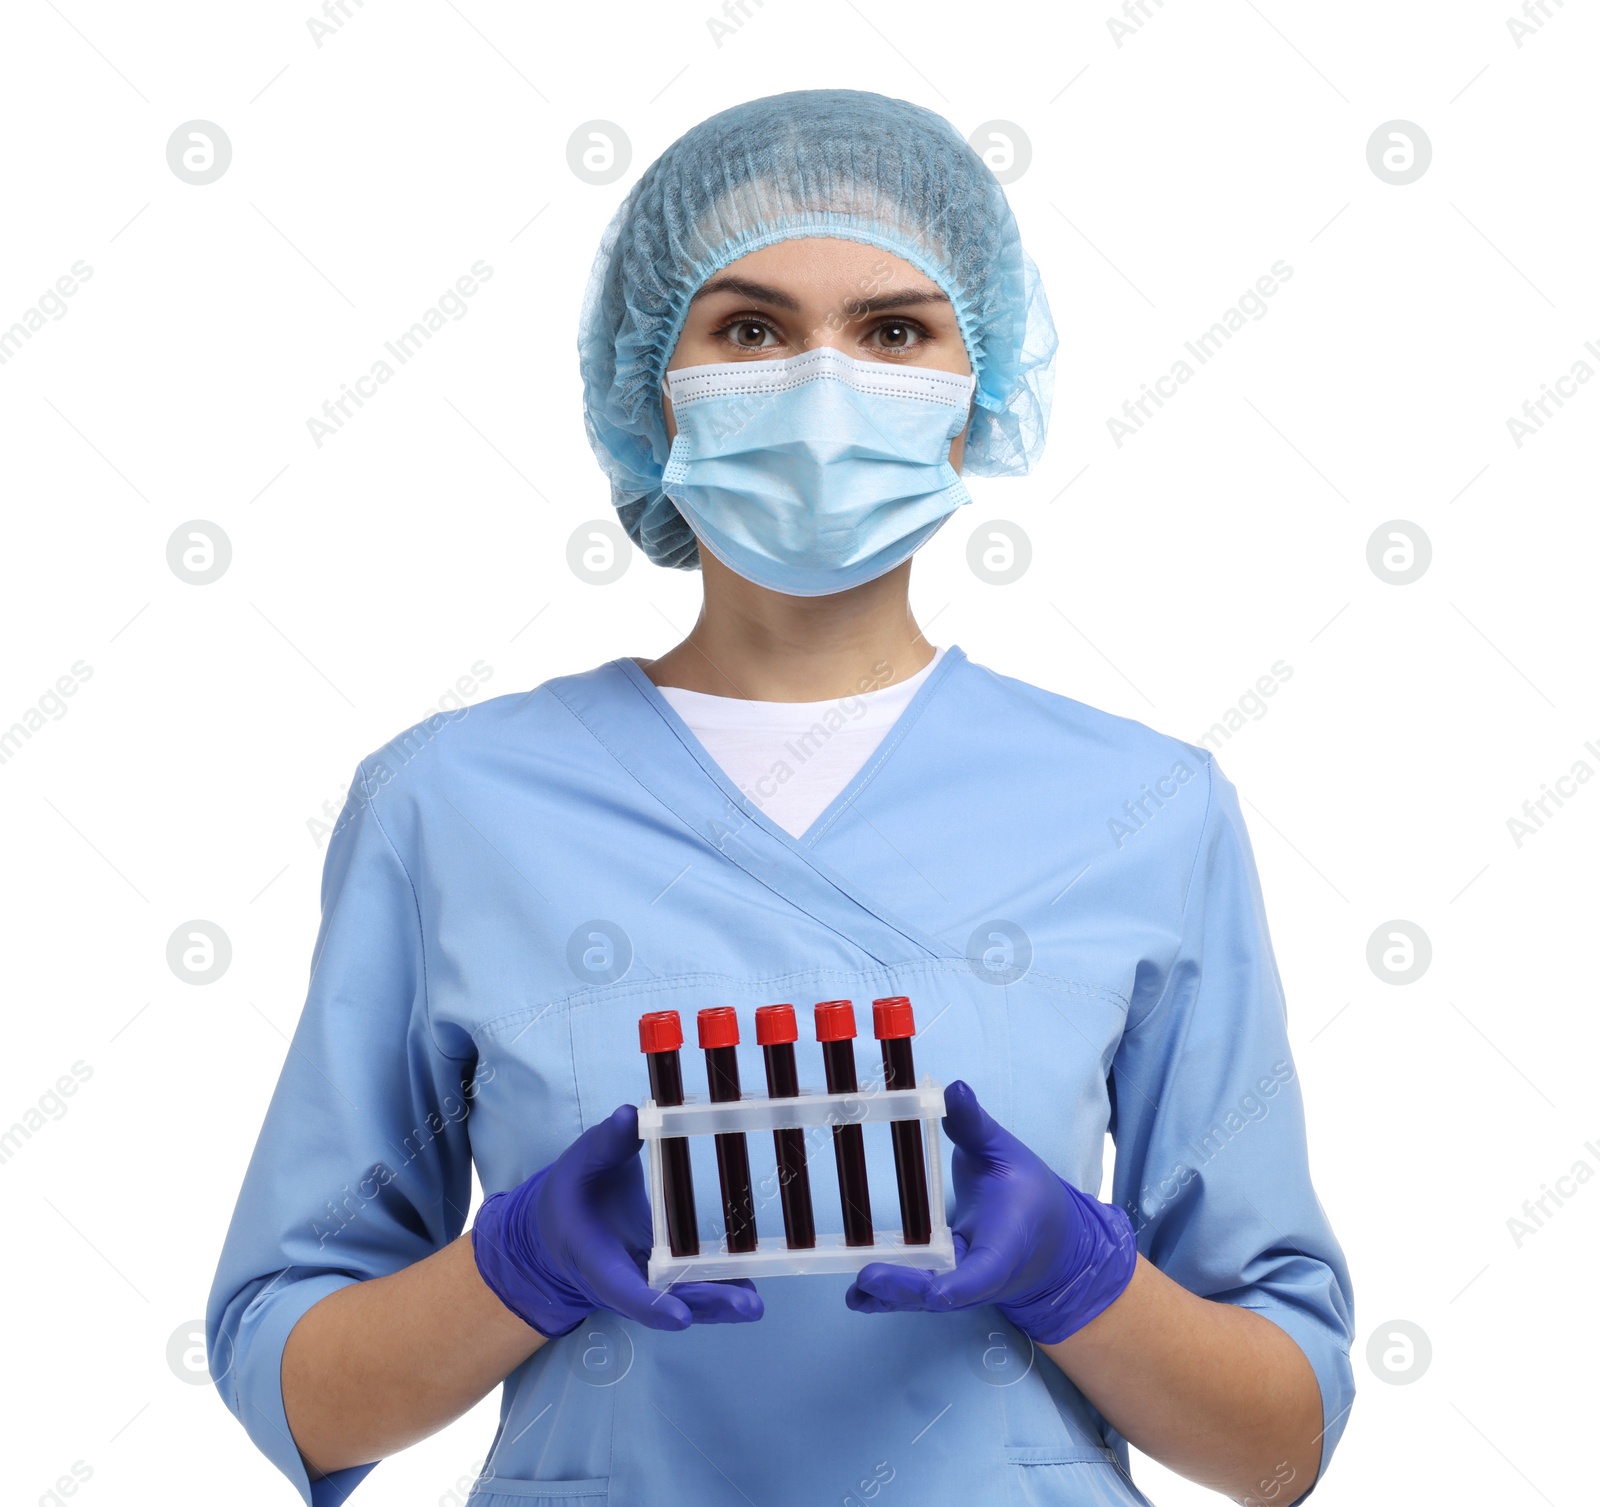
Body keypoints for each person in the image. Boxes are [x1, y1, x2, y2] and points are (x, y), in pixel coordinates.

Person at [207, 89, 1354, 1507]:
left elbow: (1281, 1441)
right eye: (750, 329)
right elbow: (299, 1389)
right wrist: (516, 1267)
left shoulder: (1148, 810)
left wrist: (1082, 1274)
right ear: (653, 387)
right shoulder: (453, 807)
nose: (826, 388)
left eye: (893, 333)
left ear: (975, 395)